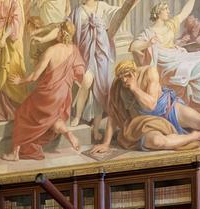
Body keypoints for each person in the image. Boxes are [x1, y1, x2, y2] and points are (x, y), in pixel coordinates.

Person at [91, 59, 200, 155]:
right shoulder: (119, 87)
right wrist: (106, 143)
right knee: (157, 142)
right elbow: (114, 114)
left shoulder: (149, 72)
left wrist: (135, 87)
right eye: (122, 77)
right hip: (148, 122)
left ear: (135, 71)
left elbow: (152, 104)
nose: (125, 80)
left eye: (128, 75)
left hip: (166, 108)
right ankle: (195, 136)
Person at [33, 0, 141, 139]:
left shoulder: (103, 7)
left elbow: (120, 13)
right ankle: (77, 115)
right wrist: (42, 40)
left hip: (102, 57)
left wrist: (131, 3)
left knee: (101, 91)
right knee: (86, 81)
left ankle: (95, 130)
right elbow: (61, 29)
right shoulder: (77, 12)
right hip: (85, 56)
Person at [131, 1, 200, 114]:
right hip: (167, 65)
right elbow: (133, 46)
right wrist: (148, 43)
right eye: (165, 9)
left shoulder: (170, 24)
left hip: (178, 56)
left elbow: (185, 12)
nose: (168, 11)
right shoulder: (149, 32)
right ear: (158, 13)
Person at [2, 21, 86, 160]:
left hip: (49, 93)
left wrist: (20, 81)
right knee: (54, 118)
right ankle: (69, 134)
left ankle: (14, 153)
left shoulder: (51, 51)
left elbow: (34, 76)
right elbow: (80, 72)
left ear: (59, 33)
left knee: (22, 114)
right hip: (63, 94)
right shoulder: (74, 49)